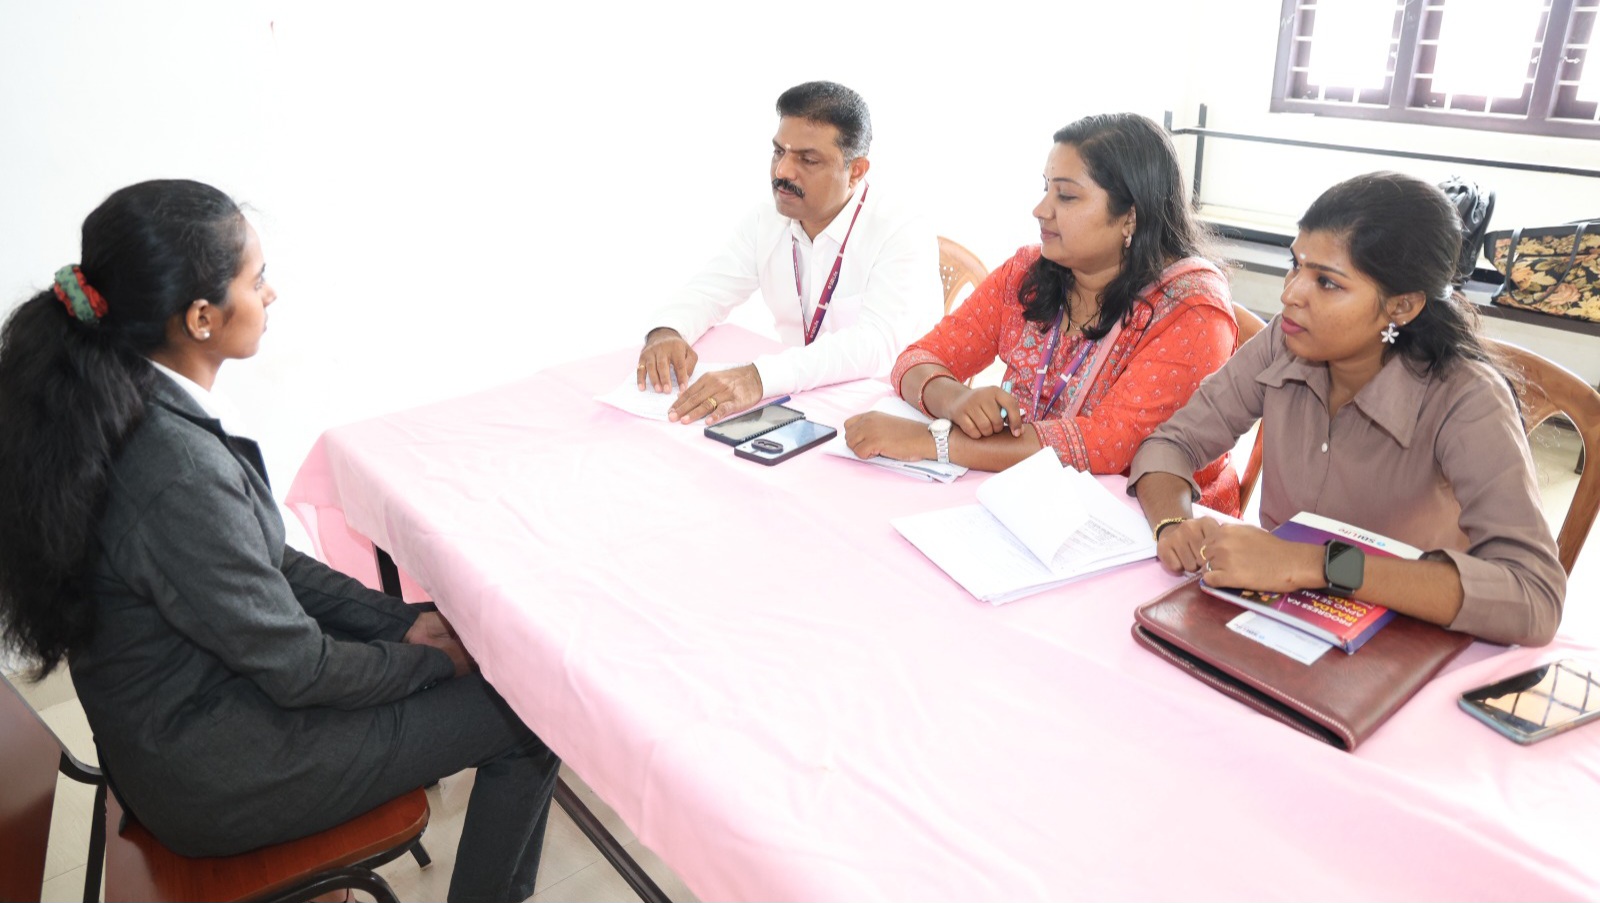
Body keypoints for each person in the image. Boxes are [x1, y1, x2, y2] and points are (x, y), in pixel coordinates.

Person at [0, 180, 559, 903]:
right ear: (201, 317)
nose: (271, 294)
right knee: (528, 713)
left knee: (460, 667)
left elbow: (266, 560)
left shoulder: (129, 398)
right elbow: (301, 668)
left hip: (184, 729)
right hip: (214, 774)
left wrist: (400, 624)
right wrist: (428, 662)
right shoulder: (172, 466)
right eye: (256, 279)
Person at [1129, 172, 1565, 647]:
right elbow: (1172, 443)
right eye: (1295, 265)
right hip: (1274, 621)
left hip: (1400, 642)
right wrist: (1173, 522)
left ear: (1402, 306)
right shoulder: (1285, 342)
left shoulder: (1465, 397)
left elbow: (1533, 596)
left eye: (1327, 282)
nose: (1290, 294)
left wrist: (1315, 565)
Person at [843, 113, 1240, 514]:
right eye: (1046, 188)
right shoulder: (1028, 273)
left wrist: (932, 441)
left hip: (1157, 527)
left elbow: (1107, 444)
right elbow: (917, 359)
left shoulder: (1193, 311)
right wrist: (955, 400)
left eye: (1065, 196)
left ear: (1129, 216)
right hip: (1027, 499)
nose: (1040, 209)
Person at [636, 80, 941, 425]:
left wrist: (759, 377)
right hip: (798, 404)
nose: (782, 171)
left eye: (807, 160)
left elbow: (875, 346)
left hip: (887, 417)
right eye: (779, 152)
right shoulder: (767, 220)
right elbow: (709, 290)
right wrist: (667, 331)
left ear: (855, 171)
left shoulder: (901, 230)